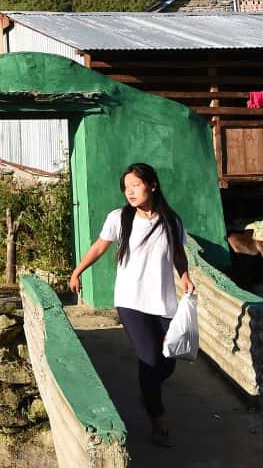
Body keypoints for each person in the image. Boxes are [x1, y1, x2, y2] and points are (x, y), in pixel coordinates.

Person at [68, 163, 196, 448]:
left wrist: (185, 276)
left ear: (152, 185)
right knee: (149, 360)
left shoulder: (171, 221)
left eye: (135, 185)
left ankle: (149, 392)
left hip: (164, 303)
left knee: (167, 363)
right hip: (131, 302)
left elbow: (178, 254)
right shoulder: (120, 218)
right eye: (126, 187)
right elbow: (99, 247)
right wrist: (78, 271)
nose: (130, 192)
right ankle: (159, 423)